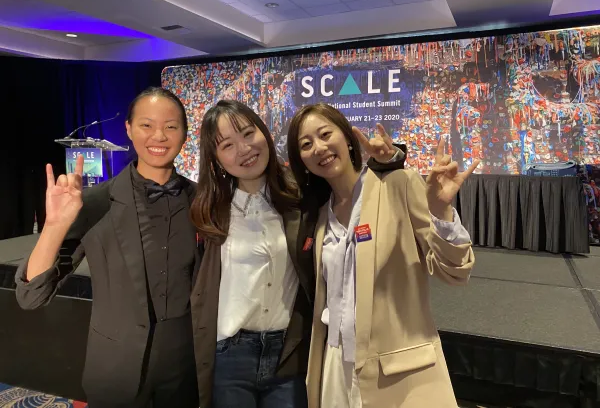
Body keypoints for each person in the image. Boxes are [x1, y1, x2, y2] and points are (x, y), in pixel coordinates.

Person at [188, 100, 405, 408]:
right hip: (231, 355)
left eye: (249, 134)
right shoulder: (209, 211)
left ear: (264, 132)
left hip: (289, 352)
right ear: (215, 159)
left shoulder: (303, 197)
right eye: (227, 145)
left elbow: (355, 188)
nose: (244, 148)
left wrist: (390, 162)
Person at [15, 87, 200, 408]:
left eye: (171, 126)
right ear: (128, 129)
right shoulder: (94, 203)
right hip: (116, 370)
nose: (159, 135)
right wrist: (55, 225)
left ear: (185, 133)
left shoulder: (203, 202)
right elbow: (30, 296)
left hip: (185, 369)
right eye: (146, 125)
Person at [286, 102, 478, 408]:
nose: (319, 148)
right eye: (306, 145)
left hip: (398, 373)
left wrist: (441, 210)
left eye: (325, 134)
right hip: (334, 368)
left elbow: (455, 270)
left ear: (348, 138)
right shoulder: (320, 216)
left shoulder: (397, 185)